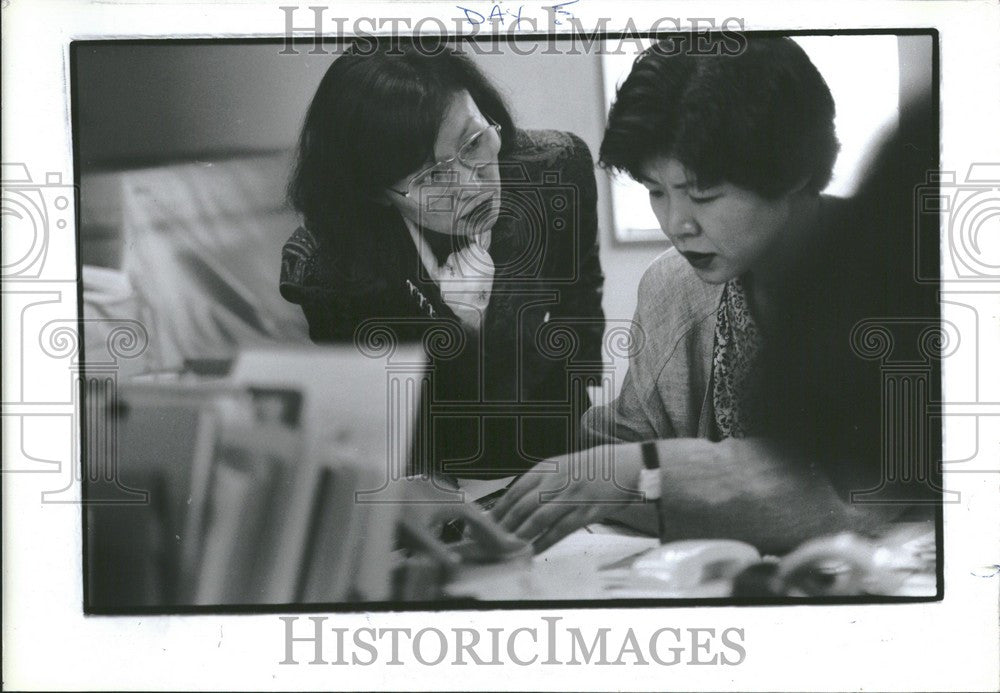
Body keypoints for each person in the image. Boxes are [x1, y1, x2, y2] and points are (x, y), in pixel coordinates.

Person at [493, 35, 939, 553]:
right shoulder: (673, 284)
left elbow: (856, 497)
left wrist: (643, 477)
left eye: (702, 193)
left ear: (793, 172)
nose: (677, 224)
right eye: (655, 191)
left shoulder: (893, 272)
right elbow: (613, 444)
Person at [280, 39, 605, 479]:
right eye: (431, 175)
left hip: (562, 449)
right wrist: (463, 330)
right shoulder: (327, 269)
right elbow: (384, 430)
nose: (470, 187)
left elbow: (580, 292)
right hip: (437, 476)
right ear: (375, 192)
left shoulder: (558, 170)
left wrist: (584, 416)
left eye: (473, 143)